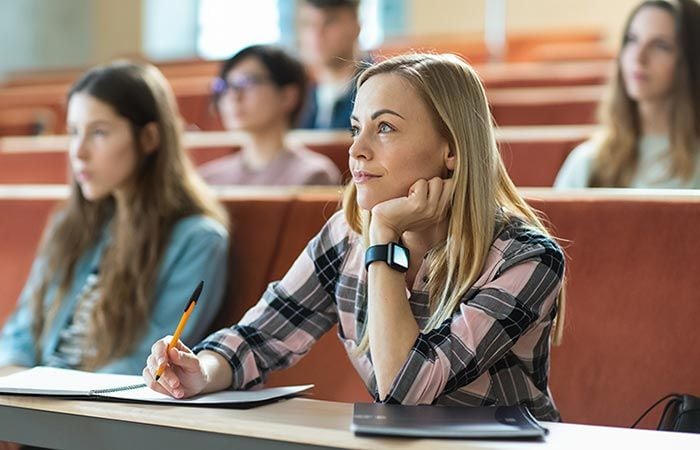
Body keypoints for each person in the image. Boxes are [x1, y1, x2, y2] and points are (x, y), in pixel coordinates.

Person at [143, 53, 566, 421]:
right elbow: (259, 337)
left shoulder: (525, 257)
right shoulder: (347, 236)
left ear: (451, 148)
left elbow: (405, 390)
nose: (356, 150)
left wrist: (384, 240)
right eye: (355, 128)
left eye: (384, 129)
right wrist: (203, 370)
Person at [0, 61, 230, 374]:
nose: (78, 152)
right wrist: (15, 384)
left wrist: (52, 400)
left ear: (149, 138)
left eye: (98, 133)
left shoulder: (198, 240)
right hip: (33, 397)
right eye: (73, 132)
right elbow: (20, 333)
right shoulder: (69, 224)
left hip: (95, 408)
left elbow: (144, 364)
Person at [555, 0, 700, 188]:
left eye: (660, 46)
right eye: (632, 40)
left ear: (690, 60)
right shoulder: (588, 161)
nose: (638, 57)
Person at [198, 45, 341, 185]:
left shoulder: (313, 176)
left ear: (287, 96)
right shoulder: (209, 179)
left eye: (248, 82)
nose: (234, 97)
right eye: (226, 86)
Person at [296, 0, 367, 129]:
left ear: (356, 26)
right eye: (308, 24)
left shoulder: (378, 89)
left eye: (329, 22)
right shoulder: (299, 95)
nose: (317, 34)